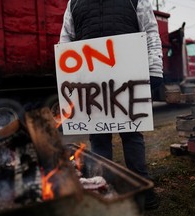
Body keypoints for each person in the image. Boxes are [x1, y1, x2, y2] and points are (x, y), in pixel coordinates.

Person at [59, 0, 163, 210]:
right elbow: (66, 39)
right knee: (99, 139)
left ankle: (143, 191)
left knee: (132, 136)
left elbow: (150, 31)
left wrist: (154, 69)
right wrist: (65, 76)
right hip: (92, 84)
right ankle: (104, 192)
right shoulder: (74, 2)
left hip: (127, 80)